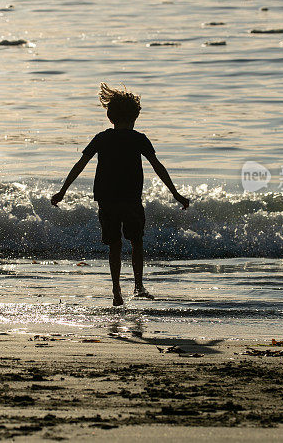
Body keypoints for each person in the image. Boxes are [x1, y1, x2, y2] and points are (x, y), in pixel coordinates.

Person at [51, 83, 189, 306]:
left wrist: (63, 190)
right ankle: (138, 286)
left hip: (107, 199)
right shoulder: (139, 139)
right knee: (136, 242)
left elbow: (80, 164)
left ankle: (116, 290)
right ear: (135, 116)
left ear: (110, 117)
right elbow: (158, 167)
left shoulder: (102, 138)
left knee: (114, 244)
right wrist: (176, 194)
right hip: (131, 199)